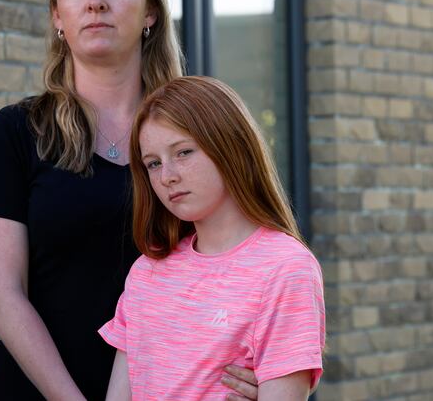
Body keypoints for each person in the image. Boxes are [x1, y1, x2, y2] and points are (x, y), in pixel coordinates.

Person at [0, 0, 258, 400]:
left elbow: (256, 258)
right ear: (57, 16)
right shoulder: (18, 131)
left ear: (150, 12)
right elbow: (2, 297)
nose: (95, 1)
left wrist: (274, 368)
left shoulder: (198, 127)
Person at [100, 76, 326, 401]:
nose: (167, 176)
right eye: (153, 163)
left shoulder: (285, 269)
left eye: (183, 152)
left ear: (230, 144)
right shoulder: (146, 274)